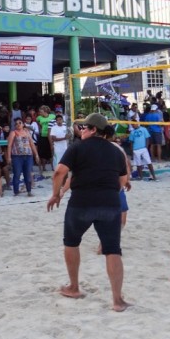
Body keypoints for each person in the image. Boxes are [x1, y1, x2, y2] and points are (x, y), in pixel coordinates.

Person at [47, 113, 130, 312]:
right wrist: (109, 192)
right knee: (112, 250)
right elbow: (123, 180)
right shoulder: (116, 151)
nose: (81, 129)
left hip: (81, 203)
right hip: (109, 204)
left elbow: (59, 172)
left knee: (71, 242)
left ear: (94, 130)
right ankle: (117, 300)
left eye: (84, 127)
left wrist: (56, 194)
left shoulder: (77, 147)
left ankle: (74, 287)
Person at [6, 117, 39, 197]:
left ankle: (29, 191)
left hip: (28, 155)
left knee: (27, 173)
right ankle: (16, 191)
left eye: (19, 123)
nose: (18, 125)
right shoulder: (13, 133)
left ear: (23, 124)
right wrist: (9, 157)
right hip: (17, 156)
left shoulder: (27, 132)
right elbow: (9, 145)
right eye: (16, 123)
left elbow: (32, 144)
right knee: (17, 173)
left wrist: (36, 154)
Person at [36, 105, 56, 175]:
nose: (39, 112)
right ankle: (43, 167)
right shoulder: (39, 118)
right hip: (43, 135)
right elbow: (38, 124)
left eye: (41, 111)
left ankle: (53, 166)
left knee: (51, 151)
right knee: (43, 152)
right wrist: (41, 129)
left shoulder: (52, 116)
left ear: (45, 111)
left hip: (51, 135)